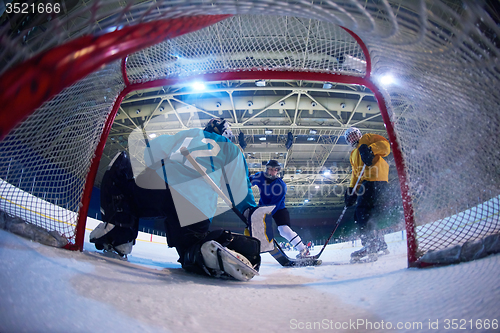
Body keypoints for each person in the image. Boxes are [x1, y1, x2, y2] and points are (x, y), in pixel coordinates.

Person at [91, 118, 270, 281]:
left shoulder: (189, 133)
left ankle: (119, 236)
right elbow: (239, 188)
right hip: (197, 204)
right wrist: (249, 211)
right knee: (190, 248)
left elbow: (151, 152)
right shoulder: (232, 150)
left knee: (122, 176)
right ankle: (205, 253)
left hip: (160, 184)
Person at [343, 127, 390, 261]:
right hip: (367, 183)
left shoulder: (367, 139)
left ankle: (370, 244)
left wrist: (370, 149)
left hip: (375, 180)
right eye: (349, 137)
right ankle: (379, 243)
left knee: (362, 212)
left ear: (358, 134)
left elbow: (386, 146)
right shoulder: (353, 154)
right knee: (371, 215)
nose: (352, 138)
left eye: (353, 135)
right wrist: (351, 190)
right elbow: (356, 174)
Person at [249, 160, 310, 258]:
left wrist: (265, 217)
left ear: (278, 171)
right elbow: (248, 182)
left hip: (278, 209)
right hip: (262, 207)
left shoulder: (281, 186)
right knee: (253, 227)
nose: (272, 172)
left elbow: (275, 205)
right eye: (270, 169)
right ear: (267, 169)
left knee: (284, 230)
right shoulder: (260, 176)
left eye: (275, 170)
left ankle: (303, 250)